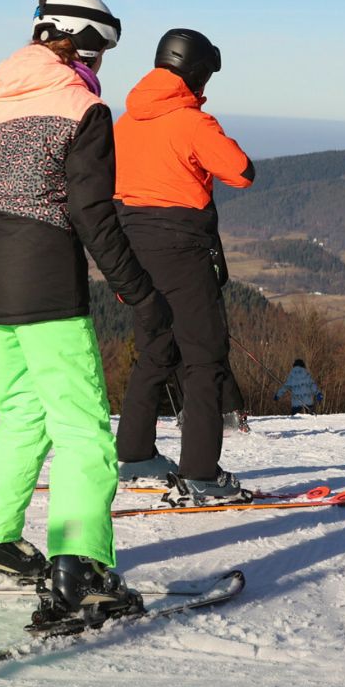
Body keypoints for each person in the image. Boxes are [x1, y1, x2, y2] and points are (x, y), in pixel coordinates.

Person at [0, 0, 168, 622]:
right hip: (42, 280)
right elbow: (93, 213)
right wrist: (140, 292)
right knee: (80, 426)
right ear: (84, 45)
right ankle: (83, 567)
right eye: (101, 51)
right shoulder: (83, 107)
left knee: (22, 414)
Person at [113, 28, 255, 504]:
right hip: (183, 249)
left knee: (155, 350)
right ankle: (201, 473)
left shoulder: (125, 121)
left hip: (132, 248)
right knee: (204, 358)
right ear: (196, 73)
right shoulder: (193, 121)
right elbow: (241, 172)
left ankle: (134, 457)